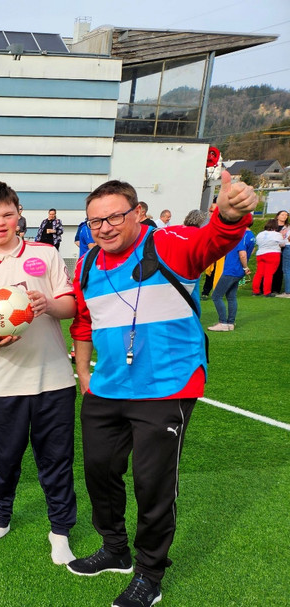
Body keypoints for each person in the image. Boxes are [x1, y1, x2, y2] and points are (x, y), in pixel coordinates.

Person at [68, 172, 257, 607]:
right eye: (95, 222)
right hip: (107, 387)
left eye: (114, 216)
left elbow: (211, 242)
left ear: (138, 213)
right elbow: (82, 321)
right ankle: (114, 550)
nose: (104, 227)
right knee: (100, 471)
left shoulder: (169, 243)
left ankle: (149, 574)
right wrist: (84, 376)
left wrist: (229, 216)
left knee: (152, 482)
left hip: (166, 387)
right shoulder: (87, 263)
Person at [0, 181, 77, 566]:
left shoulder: (46, 254)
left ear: (18, 214)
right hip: (5, 382)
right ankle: (0, 519)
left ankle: (60, 530)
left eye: (7, 214)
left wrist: (49, 304)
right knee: (4, 459)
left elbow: (71, 304)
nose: (0, 222)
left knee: (56, 459)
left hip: (54, 378)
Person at [208, 228, 254, 331]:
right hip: (237, 270)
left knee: (216, 296)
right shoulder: (251, 235)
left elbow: (243, 253)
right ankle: (230, 323)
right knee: (231, 297)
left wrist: (245, 267)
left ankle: (223, 323)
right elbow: (251, 250)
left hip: (231, 270)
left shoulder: (241, 235)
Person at [253, 219, 286, 297]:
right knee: (269, 273)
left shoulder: (260, 234)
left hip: (260, 253)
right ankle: (267, 292)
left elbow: (257, 243)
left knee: (259, 273)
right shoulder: (276, 234)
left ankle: (255, 291)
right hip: (273, 253)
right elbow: (282, 244)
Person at [278, 211, 290, 298]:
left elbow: (284, 239)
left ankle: (288, 292)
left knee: (286, 270)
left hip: (287, 247)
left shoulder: (287, 228)